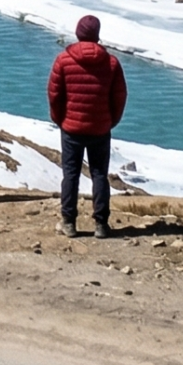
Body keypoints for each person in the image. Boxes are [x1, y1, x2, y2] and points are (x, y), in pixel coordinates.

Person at [47, 14, 127, 237]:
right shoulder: (111, 63)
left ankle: (69, 222)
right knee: (100, 174)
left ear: (78, 33)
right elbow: (119, 96)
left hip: (71, 128)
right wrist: (112, 120)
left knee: (70, 174)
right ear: (97, 35)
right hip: (100, 128)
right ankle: (101, 224)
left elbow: (54, 94)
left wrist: (59, 118)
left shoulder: (63, 60)